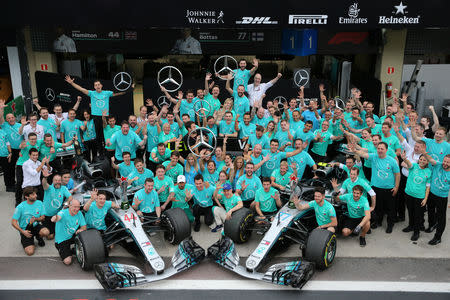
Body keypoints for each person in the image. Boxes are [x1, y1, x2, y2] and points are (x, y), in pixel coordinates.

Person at [65, 75, 128, 155]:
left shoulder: (107, 93)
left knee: (105, 135)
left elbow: (118, 93)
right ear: (94, 87)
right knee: (98, 137)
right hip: (96, 117)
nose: (97, 86)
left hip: (105, 116)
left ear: (101, 85)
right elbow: (81, 89)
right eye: (96, 85)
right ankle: (101, 154)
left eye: (99, 84)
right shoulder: (92, 93)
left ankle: (107, 152)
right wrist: (72, 83)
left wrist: (128, 89)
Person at [349, 142, 400, 233]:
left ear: (386, 150)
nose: (380, 150)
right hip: (376, 187)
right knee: (378, 207)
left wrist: (396, 187)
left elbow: (397, 174)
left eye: (382, 149)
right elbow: (363, 154)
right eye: (378, 148)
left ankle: (390, 224)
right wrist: (355, 150)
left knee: (390, 208)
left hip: (389, 188)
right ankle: (378, 222)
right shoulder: (374, 156)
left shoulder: (392, 161)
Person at [400, 151, 431, 241]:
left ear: (427, 162)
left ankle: (416, 232)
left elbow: (428, 187)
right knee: (410, 211)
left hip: (419, 196)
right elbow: (408, 163)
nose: (422, 161)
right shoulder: (414, 166)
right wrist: (404, 158)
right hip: (409, 194)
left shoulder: (428, 172)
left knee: (418, 215)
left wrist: (425, 199)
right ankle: (411, 226)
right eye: (420, 159)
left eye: (424, 160)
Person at [12, 187, 50, 255]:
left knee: (46, 232)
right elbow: (13, 222)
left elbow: (43, 217)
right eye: (33, 194)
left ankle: (39, 237)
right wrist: (23, 232)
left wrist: (36, 219)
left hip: (36, 225)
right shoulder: (20, 207)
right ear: (26, 196)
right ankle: (25, 239)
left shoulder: (39, 203)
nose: (35, 195)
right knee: (30, 252)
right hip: (25, 229)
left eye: (35, 193)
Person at [423, 153, 450, 245]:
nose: (445, 163)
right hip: (432, 194)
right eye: (445, 161)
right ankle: (432, 225)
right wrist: (424, 152)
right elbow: (431, 160)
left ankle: (438, 237)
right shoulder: (438, 165)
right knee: (430, 211)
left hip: (442, 197)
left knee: (441, 217)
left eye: (448, 162)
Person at [52, 199, 86, 265]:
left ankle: (74, 249)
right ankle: (63, 249)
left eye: (78, 207)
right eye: (75, 207)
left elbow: (84, 226)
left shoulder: (79, 213)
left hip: (72, 235)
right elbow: (58, 217)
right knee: (68, 261)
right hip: (62, 240)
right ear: (70, 206)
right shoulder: (62, 213)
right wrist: (55, 218)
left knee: (85, 235)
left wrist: (81, 229)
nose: (77, 209)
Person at [41, 171, 72, 239]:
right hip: (47, 215)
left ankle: (56, 228)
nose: (57, 182)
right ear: (52, 181)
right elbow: (44, 183)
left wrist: (66, 203)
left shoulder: (63, 188)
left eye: (59, 180)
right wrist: (45, 177)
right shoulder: (49, 188)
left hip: (57, 215)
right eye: (56, 180)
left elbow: (70, 197)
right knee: (49, 236)